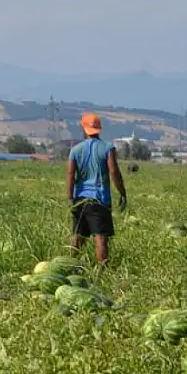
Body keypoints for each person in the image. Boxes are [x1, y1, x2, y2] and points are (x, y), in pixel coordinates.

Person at [67, 112, 127, 266]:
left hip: (79, 199)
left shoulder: (75, 150)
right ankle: (102, 270)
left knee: (78, 235)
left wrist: (70, 198)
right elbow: (114, 171)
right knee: (100, 237)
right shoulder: (107, 148)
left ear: (83, 128)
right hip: (99, 200)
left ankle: (70, 264)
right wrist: (122, 192)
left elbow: (70, 175)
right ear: (99, 129)